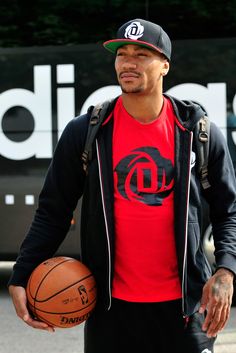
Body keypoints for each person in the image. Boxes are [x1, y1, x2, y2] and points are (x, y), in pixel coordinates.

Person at [8, 18, 236, 353]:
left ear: (164, 66)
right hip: (111, 314)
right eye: (122, 53)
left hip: (186, 312)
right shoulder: (86, 132)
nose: (128, 62)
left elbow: (228, 210)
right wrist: (21, 273)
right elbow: (53, 212)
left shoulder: (198, 132)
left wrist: (226, 270)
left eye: (142, 54)